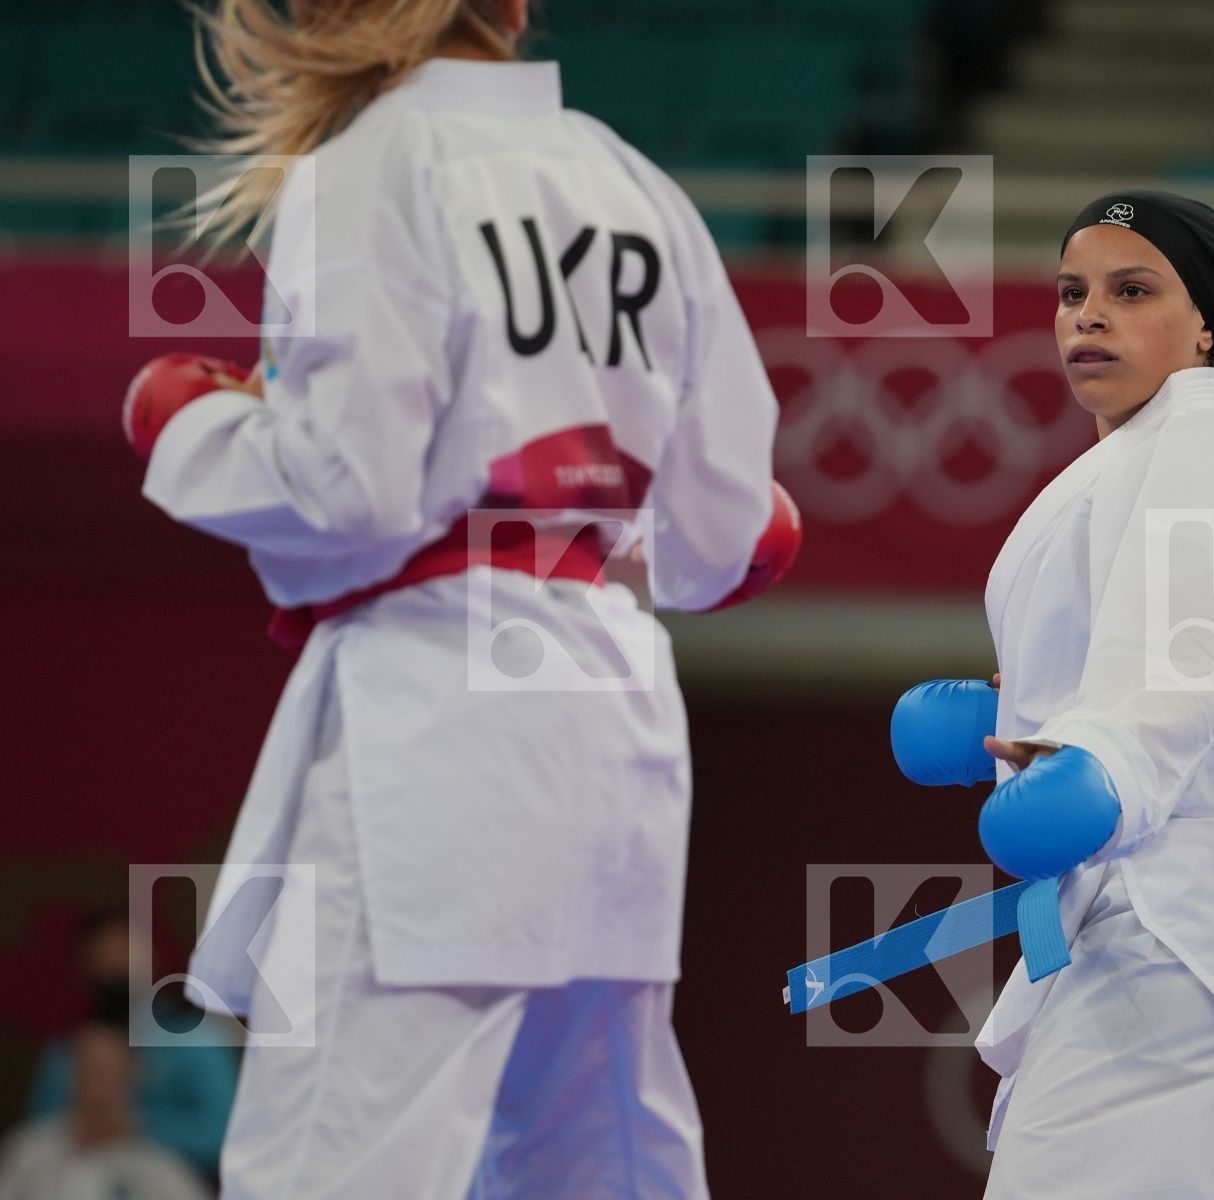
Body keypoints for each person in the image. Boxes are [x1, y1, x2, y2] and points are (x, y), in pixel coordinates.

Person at [124, 1, 795, 1195]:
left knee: (341, 1150)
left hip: (440, 718)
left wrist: (198, 428)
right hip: (613, 710)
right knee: (599, 1157)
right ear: (518, 9)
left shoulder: (370, 167)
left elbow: (354, 492)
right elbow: (723, 538)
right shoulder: (635, 184)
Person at [893, 190, 1214, 1197]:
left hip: (1189, 940)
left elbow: (1179, 663)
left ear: (1204, 324)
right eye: (1072, 292)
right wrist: (1010, 719)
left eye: (1132, 291)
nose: (1089, 315)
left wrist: (1105, 770)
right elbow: (1188, 656)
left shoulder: (1206, 444)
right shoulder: (1151, 464)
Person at [24, 909, 238, 1181]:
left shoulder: (196, 1042)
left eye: (127, 948)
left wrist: (137, 1128)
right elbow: (38, 1139)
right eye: (105, 952)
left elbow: (227, 1138)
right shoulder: (65, 1052)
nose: (117, 962)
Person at [0, 1024, 215, 1200]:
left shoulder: (164, 1172)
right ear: (70, 1076)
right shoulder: (27, 1151)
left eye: (107, 1073)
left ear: (133, 1078)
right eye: (89, 1071)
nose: (98, 1088)